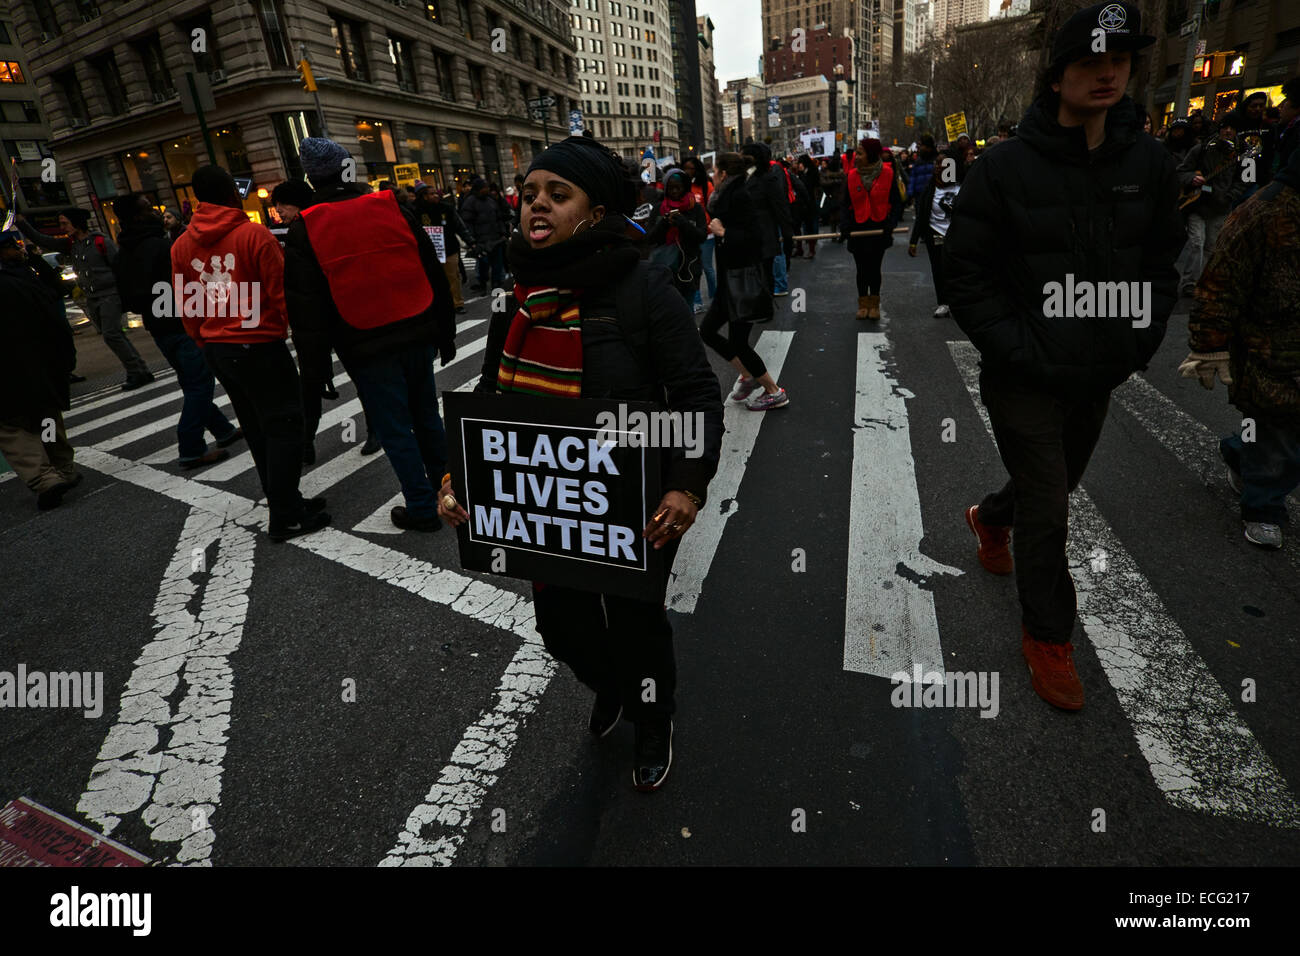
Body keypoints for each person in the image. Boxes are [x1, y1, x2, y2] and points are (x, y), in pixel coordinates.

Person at [440, 134, 723, 791]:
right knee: (561, 627)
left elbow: (696, 394)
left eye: (557, 194)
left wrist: (686, 485)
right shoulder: (515, 294)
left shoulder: (643, 289)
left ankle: (654, 719)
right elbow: (491, 399)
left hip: (632, 501)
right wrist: (460, 473)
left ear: (594, 212)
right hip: (545, 508)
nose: (536, 205)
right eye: (529, 194)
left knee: (636, 624)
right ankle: (613, 686)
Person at [944, 1, 1184, 711]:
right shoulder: (1004, 168)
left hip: (1099, 370)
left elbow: (1161, 261)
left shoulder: (1149, 161)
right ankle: (1050, 638)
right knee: (1050, 509)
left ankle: (991, 517)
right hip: (1024, 373)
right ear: (1056, 77)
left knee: (1055, 486)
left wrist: (1137, 338)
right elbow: (965, 273)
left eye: (1119, 61)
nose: (1107, 74)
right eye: (1089, 62)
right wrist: (1015, 348)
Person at [285, 137, 457, 533]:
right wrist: (444, 332)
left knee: (395, 427)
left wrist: (317, 369)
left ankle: (420, 505)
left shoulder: (306, 228)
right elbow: (431, 270)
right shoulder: (390, 205)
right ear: (348, 169)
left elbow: (306, 311)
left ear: (312, 180)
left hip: (365, 345)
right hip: (416, 331)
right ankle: (448, 493)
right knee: (427, 416)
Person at [172, 165, 330, 542]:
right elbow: (281, 293)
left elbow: (186, 304)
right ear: (232, 194)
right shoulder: (253, 235)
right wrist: (292, 332)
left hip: (218, 349)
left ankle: (285, 500)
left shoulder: (180, 246)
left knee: (258, 429)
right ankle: (287, 515)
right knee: (287, 426)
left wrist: (203, 339)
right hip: (259, 345)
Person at [1182, 146, 1300, 549]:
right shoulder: (1265, 212)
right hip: (1271, 349)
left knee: (1279, 436)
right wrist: (1209, 346)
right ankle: (1264, 507)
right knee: (1277, 429)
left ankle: (1238, 451)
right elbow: (1220, 283)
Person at [111, 193, 242, 470]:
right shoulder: (160, 247)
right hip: (181, 324)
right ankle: (191, 447)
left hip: (158, 327)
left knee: (190, 380)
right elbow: (187, 285)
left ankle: (222, 430)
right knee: (199, 384)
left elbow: (127, 297)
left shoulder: (125, 252)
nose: (155, 211)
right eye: (148, 208)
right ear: (137, 216)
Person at [17, 208, 154, 390]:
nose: (62, 227)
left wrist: (125, 294)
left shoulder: (100, 241)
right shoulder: (71, 244)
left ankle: (137, 372)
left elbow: (119, 267)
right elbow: (42, 239)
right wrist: (21, 222)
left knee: (112, 334)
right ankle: (140, 370)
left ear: (76, 222)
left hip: (109, 295)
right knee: (113, 336)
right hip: (92, 297)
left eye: (65, 223)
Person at [701, 152, 789, 411]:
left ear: (724, 174)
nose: (713, 176)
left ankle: (774, 390)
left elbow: (755, 238)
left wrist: (724, 232)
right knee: (707, 331)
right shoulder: (726, 197)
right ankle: (748, 376)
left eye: (715, 172)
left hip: (743, 280)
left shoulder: (741, 195)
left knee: (739, 341)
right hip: (730, 280)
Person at [0, 229, 81, 510]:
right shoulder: (23, 280)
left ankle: (45, 477)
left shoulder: (21, 277)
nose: (20, 249)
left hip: (8, 373)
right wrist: (64, 357)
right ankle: (63, 468)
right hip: (37, 364)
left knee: (12, 428)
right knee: (46, 417)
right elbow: (54, 318)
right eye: (14, 246)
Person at [1177, 118, 1240, 297]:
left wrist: (1229, 196)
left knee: (1211, 246)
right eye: (1224, 127)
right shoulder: (1202, 149)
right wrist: (1191, 178)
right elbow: (1181, 171)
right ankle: (1190, 283)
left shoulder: (1241, 153)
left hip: (1220, 207)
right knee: (1197, 242)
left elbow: (1244, 180)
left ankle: (1202, 282)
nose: (1228, 131)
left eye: (1232, 128)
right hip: (1198, 204)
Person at [839, 137, 895, 320]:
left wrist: (890, 224)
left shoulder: (888, 173)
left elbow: (896, 202)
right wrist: (845, 226)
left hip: (878, 228)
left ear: (870, 154)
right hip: (858, 228)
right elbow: (845, 204)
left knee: (874, 268)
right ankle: (863, 304)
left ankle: (874, 304)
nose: (856, 156)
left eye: (860, 153)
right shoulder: (851, 175)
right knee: (861, 269)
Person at [908, 148, 966, 318]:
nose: (939, 166)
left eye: (943, 163)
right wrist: (913, 241)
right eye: (937, 163)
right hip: (935, 234)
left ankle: (959, 302)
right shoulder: (930, 187)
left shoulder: (962, 185)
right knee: (938, 269)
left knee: (957, 270)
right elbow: (922, 215)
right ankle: (943, 303)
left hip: (957, 235)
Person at [646, 168, 707, 306]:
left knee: (687, 308)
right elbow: (650, 238)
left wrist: (684, 224)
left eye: (678, 188)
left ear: (685, 187)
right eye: (671, 188)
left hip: (689, 268)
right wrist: (664, 224)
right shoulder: (658, 209)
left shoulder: (695, 209)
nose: (674, 192)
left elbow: (702, 236)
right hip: (665, 268)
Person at [739, 141, 792, 296]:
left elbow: (780, 207)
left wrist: (787, 234)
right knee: (754, 274)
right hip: (748, 235)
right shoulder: (743, 178)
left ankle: (766, 307)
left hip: (765, 234)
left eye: (743, 156)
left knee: (764, 273)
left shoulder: (767, 178)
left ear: (753, 158)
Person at [413, 182, 474, 314]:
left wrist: (470, 241)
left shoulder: (446, 208)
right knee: (434, 279)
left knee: (453, 276)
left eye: (436, 193)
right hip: (429, 252)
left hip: (449, 249)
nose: (436, 196)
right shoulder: (416, 211)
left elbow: (459, 226)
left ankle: (457, 303)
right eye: (432, 194)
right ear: (424, 197)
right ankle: (439, 304)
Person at [460, 177, 510, 293]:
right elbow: (467, 223)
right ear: (479, 189)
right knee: (483, 264)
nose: (487, 189)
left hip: (495, 238)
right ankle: (482, 284)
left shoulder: (490, 200)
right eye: (484, 187)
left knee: (497, 264)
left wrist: (503, 233)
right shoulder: (470, 202)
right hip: (481, 240)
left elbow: (499, 218)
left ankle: (496, 284)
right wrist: (472, 240)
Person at [681, 156, 716, 312]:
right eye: (685, 168)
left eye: (691, 168)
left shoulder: (706, 186)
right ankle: (697, 302)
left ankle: (715, 298)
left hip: (707, 232)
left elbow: (714, 206)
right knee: (694, 269)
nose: (687, 172)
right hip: (689, 233)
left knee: (707, 267)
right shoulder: (681, 186)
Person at [792, 154, 821, 260]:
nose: (798, 165)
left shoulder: (812, 172)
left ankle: (811, 250)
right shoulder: (800, 173)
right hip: (799, 203)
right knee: (797, 226)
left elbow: (810, 186)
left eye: (800, 163)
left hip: (809, 203)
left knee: (809, 226)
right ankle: (799, 249)